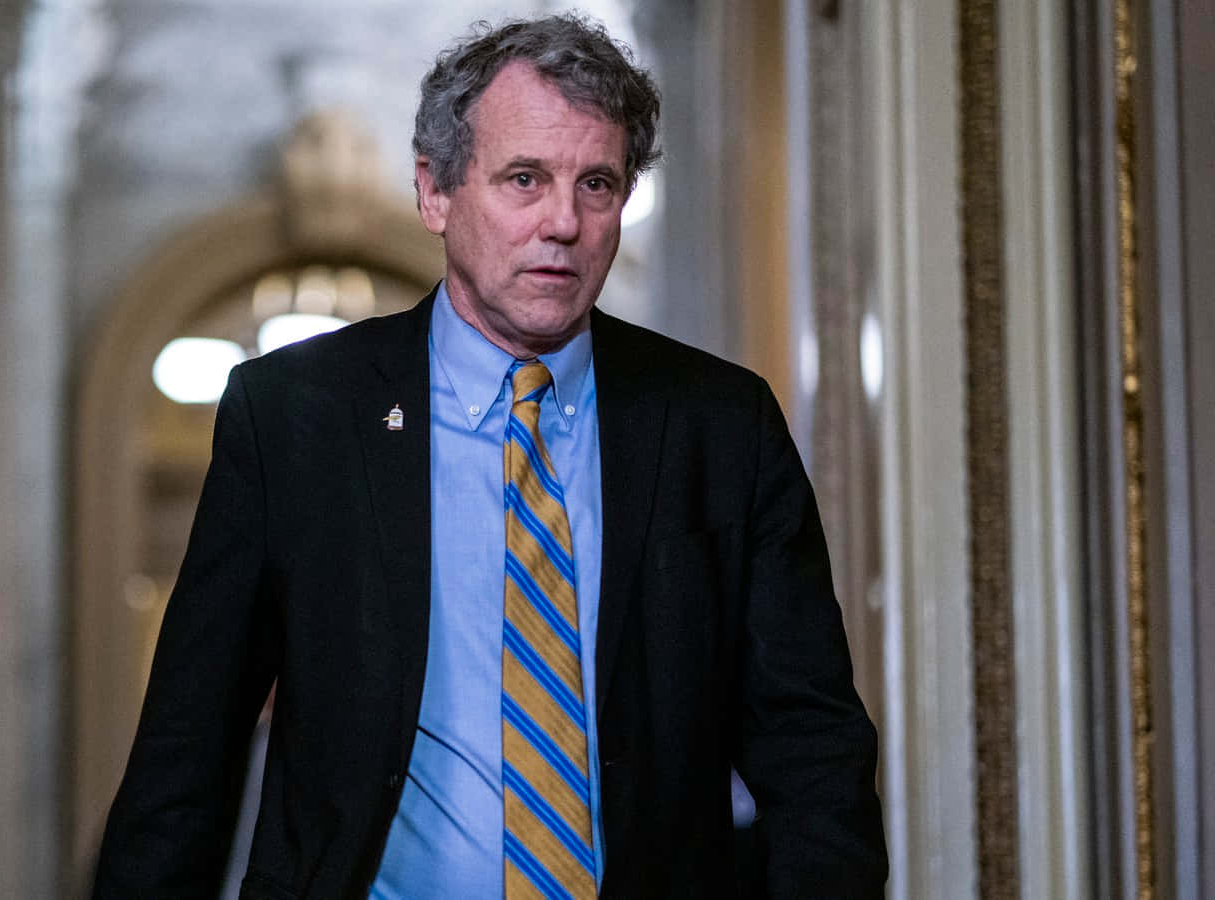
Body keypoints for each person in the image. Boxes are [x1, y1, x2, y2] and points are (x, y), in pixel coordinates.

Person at [93, 14, 886, 899]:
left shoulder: (719, 426)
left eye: (597, 183)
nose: (563, 222)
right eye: (524, 179)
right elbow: (187, 752)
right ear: (435, 191)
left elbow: (813, 753)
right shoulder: (295, 417)